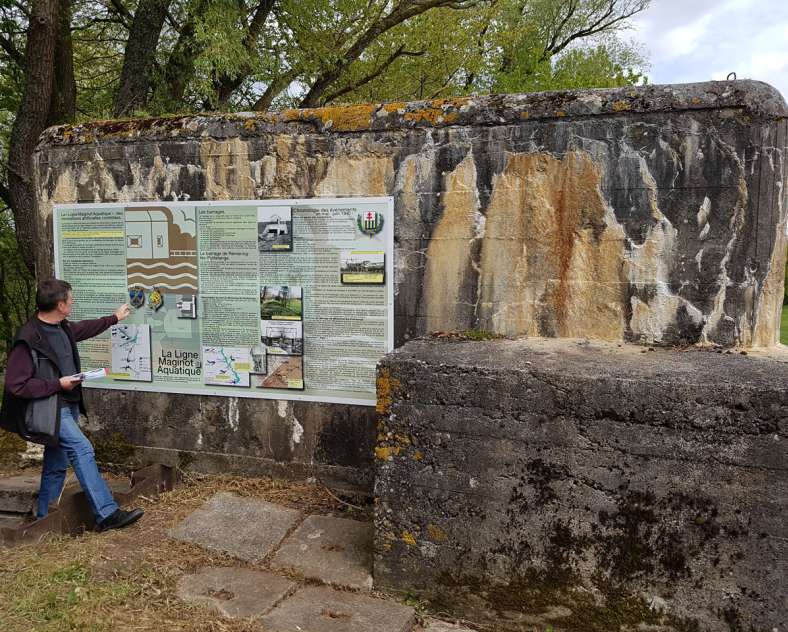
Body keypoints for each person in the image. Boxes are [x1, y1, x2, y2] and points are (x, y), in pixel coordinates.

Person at [0, 278, 143, 532]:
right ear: (60, 305)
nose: (72, 302)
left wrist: (113, 318)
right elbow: (16, 386)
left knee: (57, 462)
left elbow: (84, 329)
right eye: (70, 299)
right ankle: (107, 514)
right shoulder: (28, 339)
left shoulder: (62, 327)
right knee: (82, 448)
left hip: (68, 404)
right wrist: (58, 384)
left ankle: (45, 519)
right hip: (51, 409)